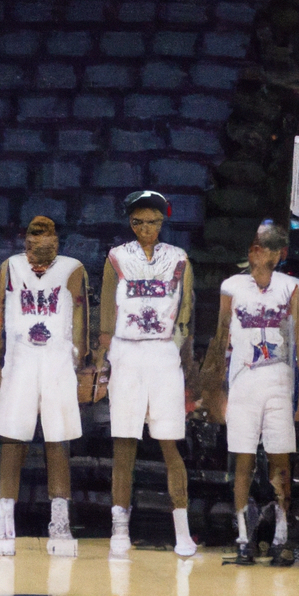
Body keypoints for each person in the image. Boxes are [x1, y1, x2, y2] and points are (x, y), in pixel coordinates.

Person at [200, 223, 299, 564]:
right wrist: (214, 388)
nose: (260, 252)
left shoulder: (291, 286)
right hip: (243, 381)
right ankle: (243, 538)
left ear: (279, 254)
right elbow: (220, 339)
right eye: (258, 246)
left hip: (280, 380)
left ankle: (280, 535)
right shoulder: (232, 287)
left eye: (268, 247)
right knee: (243, 460)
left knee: (280, 459)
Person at [95, 190, 198, 557]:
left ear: (163, 220)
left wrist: (185, 360)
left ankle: (182, 531)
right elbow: (106, 314)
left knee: (170, 444)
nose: (146, 228)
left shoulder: (179, 258)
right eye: (138, 221)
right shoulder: (117, 257)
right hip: (126, 352)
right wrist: (103, 360)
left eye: (152, 221)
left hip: (163, 353)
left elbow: (186, 313)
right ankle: (119, 528)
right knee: (124, 444)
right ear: (130, 223)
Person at [0, 216, 89, 557]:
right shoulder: (10, 267)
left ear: (57, 241)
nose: (39, 241)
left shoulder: (73, 268)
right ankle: (4, 522)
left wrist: (81, 363)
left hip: (58, 362)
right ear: (25, 240)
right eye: (33, 234)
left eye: (46, 235)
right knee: (12, 442)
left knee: (57, 443)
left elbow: (80, 320)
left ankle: (59, 524)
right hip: (20, 361)